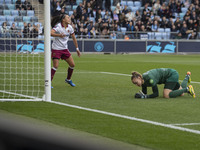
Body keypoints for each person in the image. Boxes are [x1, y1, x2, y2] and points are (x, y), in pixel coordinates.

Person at [51, 14, 81, 87]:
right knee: (56, 66)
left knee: (72, 65)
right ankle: (48, 82)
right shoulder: (58, 26)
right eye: (68, 17)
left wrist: (77, 49)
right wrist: (59, 35)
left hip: (64, 49)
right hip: (56, 49)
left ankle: (68, 79)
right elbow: (50, 33)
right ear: (63, 20)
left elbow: (74, 38)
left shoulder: (70, 27)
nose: (69, 19)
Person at [131, 68, 195, 99]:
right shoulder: (143, 80)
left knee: (166, 95)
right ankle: (187, 76)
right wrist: (141, 95)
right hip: (169, 76)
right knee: (181, 93)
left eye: (136, 82)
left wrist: (144, 97)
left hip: (171, 75)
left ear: (139, 77)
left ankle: (188, 89)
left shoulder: (150, 79)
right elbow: (144, 93)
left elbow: (156, 94)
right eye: (135, 84)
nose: (137, 85)